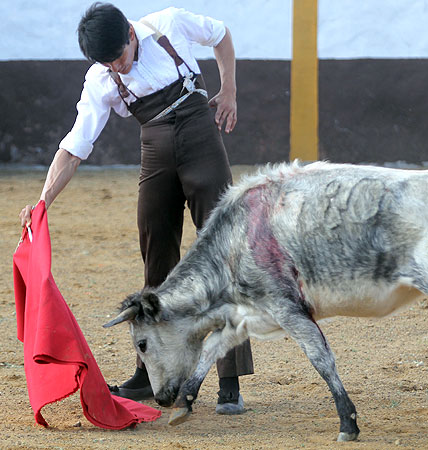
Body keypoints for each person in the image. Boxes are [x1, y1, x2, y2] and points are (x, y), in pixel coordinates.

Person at [19, 2, 253, 415]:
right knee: (156, 262)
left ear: (130, 33)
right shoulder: (101, 79)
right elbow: (74, 147)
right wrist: (43, 201)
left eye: (119, 58)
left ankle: (228, 380)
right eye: (107, 64)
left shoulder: (169, 24)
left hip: (202, 140)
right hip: (156, 152)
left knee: (223, 255)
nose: (117, 69)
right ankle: (150, 374)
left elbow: (221, 35)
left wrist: (229, 88)